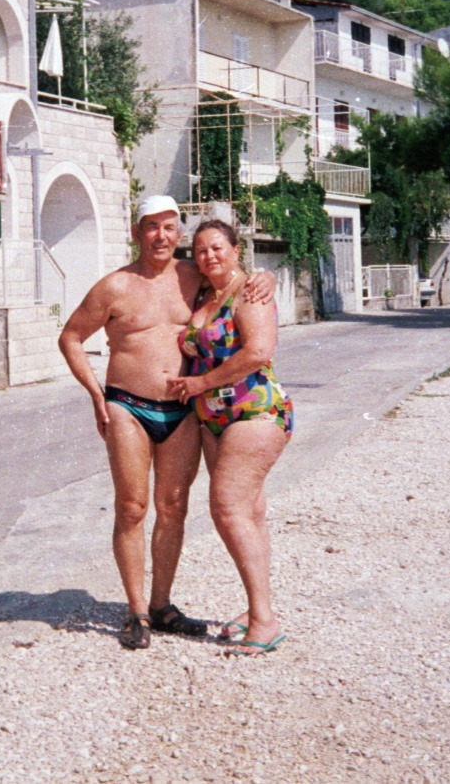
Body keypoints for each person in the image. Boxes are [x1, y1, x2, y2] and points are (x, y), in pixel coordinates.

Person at [58, 196, 274, 650]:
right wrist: (97, 397)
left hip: (181, 411)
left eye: (170, 227)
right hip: (127, 406)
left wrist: (266, 277)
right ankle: (135, 610)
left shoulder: (193, 275)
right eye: (151, 227)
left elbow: (233, 280)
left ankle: (162, 605)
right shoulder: (114, 287)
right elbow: (72, 337)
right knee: (132, 508)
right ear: (137, 232)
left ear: (178, 233)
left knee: (174, 507)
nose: (161, 236)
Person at [166, 219, 294, 657]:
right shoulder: (203, 295)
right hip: (213, 419)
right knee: (250, 514)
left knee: (227, 506)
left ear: (236, 250)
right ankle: (259, 609)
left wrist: (202, 385)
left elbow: (259, 351)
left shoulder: (250, 291)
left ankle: (265, 622)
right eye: (200, 250)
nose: (209, 256)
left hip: (254, 410)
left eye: (217, 248)